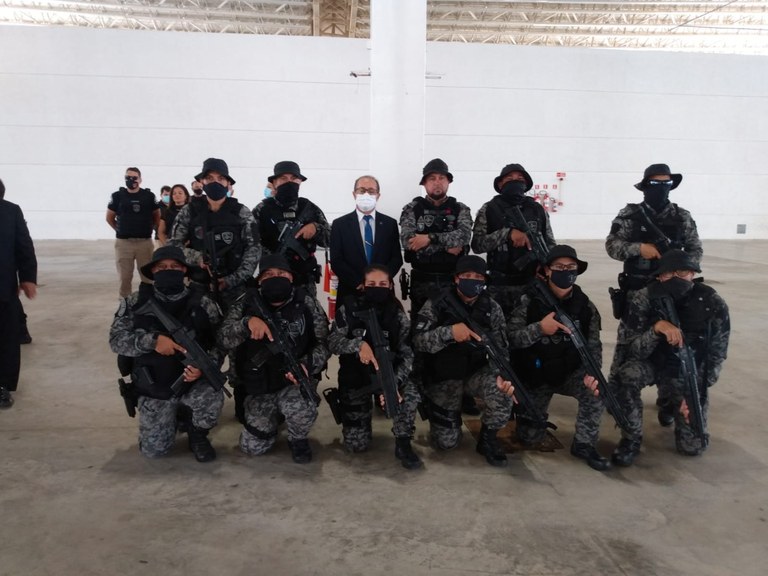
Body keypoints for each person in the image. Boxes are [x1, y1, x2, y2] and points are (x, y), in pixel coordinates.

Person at [593, 250, 730, 466]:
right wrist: (656, 329)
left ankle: (670, 403)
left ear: (693, 273)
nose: (676, 278)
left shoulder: (711, 302)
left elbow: (717, 353)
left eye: (682, 272)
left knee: (692, 447)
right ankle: (631, 438)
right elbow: (633, 350)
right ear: (659, 276)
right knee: (626, 376)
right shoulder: (644, 297)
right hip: (652, 362)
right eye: (669, 274)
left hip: (685, 371)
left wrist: (696, 391)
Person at [606, 163, 703, 426]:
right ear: (645, 186)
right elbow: (612, 246)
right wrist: (640, 249)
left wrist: (678, 268)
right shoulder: (630, 215)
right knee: (627, 343)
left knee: (672, 343)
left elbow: (696, 252)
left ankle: (669, 400)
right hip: (637, 292)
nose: (661, 188)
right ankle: (616, 393)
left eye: (666, 183)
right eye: (655, 183)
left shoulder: (682, 217)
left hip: (674, 293)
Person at [108, 246, 224, 462]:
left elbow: (220, 343)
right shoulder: (135, 302)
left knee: (213, 392)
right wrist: (152, 342)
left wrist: (204, 367)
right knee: (154, 451)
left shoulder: (204, 303)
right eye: (161, 267)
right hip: (155, 385)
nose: (168, 270)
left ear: (184, 271)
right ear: (153, 271)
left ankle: (197, 434)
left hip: (192, 384)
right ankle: (174, 417)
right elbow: (116, 341)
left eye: (174, 267)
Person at [217, 254, 330, 464]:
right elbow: (223, 338)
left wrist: (307, 364)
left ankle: (297, 439)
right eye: (268, 275)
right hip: (259, 385)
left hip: (293, 382)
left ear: (291, 277)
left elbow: (324, 343)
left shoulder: (306, 302)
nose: (275, 277)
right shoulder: (244, 303)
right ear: (259, 280)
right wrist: (246, 323)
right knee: (252, 447)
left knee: (303, 409)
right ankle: (272, 418)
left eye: (281, 273)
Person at [507, 245, 610, 471]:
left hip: (569, 372)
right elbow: (511, 339)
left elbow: (594, 347)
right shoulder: (529, 301)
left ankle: (584, 444)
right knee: (529, 436)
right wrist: (539, 329)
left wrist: (592, 374)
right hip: (535, 375)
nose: (566, 272)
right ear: (547, 270)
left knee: (597, 389)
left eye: (571, 267)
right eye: (560, 267)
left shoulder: (586, 307)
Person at [412, 255, 514, 467]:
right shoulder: (437, 303)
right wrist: (449, 333)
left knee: (502, 392)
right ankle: (440, 408)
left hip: (475, 372)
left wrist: (500, 374)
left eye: (478, 277)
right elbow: (418, 341)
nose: (473, 281)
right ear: (456, 278)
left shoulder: (491, 307)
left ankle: (487, 439)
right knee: (447, 443)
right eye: (467, 276)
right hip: (444, 376)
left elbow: (501, 348)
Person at [399, 159, 477, 414]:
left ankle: (461, 389)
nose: (437, 183)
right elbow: (409, 242)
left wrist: (429, 239)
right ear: (424, 183)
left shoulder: (461, 209)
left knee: (458, 333)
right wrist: (445, 244)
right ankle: (422, 386)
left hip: (453, 283)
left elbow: (463, 237)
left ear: (448, 181)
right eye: (432, 178)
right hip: (422, 282)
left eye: (441, 178)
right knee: (421, 334)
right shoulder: (412, 209)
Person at [327, 264, 421, 469]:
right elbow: (332, 342)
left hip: (390, 372)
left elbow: (408, 354)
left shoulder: (397, 315)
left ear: (390, 286)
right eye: (371, 284)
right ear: (362, 285)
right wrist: (358, 345)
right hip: (356, 377)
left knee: (410, 395)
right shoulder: (348, 308)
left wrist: (393, 383)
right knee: (356, 445)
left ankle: (403, 441)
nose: (377, 288)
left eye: (382, 284)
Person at [168, 158, 260, 311]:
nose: (215, 182)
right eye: (210, 178)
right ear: (201, 182)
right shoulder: (189, 211)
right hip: (199, 286)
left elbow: (254, 249)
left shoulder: (242, 212)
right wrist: (198, 258)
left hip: (236, 287)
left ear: (228, 183)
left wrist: (231, 280)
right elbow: (173, 246)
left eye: (220, 178)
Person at [471, 163, 556, 315]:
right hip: (499, 286)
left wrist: (547, 265)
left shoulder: (537, 209)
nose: (515, 182)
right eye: (509, 179)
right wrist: (506, 234)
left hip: (531, 284)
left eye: (520, 179)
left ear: (526, 184)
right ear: (500, 184)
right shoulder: (489, 209)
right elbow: (477, 245)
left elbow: (550, 243)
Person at [252, 161, 330, 297]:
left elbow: (330, 239)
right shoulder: (262, 210)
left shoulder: (309, 208)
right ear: (274, 182)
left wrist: (316, 229)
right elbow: (250, 245)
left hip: (304, 281)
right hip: (273, 280)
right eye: (283, 178)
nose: (289, 182)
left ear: (300, 181)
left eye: (293, 178)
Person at [330, 175, 403, 302]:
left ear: (378, 196)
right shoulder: (339, 224)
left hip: (382, 291)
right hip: (350, 291)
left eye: (371, 191)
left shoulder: (390, 224)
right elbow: (336, 260)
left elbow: (396, 258)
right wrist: (359, 282)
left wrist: (381, 281)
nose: (366, 195)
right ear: (354, 194)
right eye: (362, 190)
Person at [0, 178, 38, 408]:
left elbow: (24, 246)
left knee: (6, 338)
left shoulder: (10, 212)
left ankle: (3, 386)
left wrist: (27, 278)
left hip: (3, 288)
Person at [106, 167, 161, 298]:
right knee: (124, 277)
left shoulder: (149, 196)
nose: (131, 180)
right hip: (124, 244)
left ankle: (148, 300)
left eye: (134, 178)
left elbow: (157, 216)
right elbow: (109, 217)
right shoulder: (117, 196)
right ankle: (124, 303)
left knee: (148, 276)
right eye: (128, 178)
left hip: (144, 243)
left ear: (140, 179)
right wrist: (120, 230)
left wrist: (149, 228)